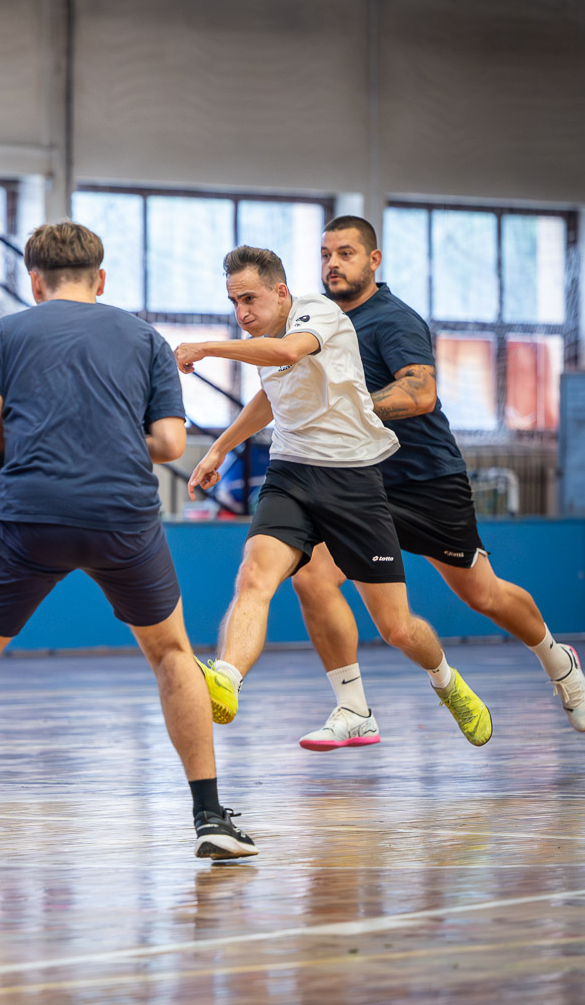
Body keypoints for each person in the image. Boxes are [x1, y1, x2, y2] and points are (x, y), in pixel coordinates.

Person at [0, 222, 258, 870]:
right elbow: (170, 444)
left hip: (28, 514)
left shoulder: (3, 335)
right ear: (100, 280)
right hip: (122, 516)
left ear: (34, 282)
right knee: (172, 653)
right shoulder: (145, 338)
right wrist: (110, 436)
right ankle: (210, 817)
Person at [283, 216, 585, 751]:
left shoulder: (393, 320)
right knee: (311, 576)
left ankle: (558, 660)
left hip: (426, 481)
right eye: (326, 254)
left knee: (483, 595)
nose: (333, 264)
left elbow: (420, 394)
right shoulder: (317, 321)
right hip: (363, 483)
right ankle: (353, 709)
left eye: (346, 253)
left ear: (374, 260)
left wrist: (349, 411)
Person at [181, 245, 492, 747]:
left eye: (249, 299)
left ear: (281, 292)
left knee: (396, 627)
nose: (242, 313)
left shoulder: (317, 312)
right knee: (255, 575)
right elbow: (270, 396)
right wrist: (220, 447)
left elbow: (287, 354)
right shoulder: (262, 340)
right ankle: (229, 679)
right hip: (290, 474)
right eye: (234, 302)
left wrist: (206, 348)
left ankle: (446, 682)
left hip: (352, 479)